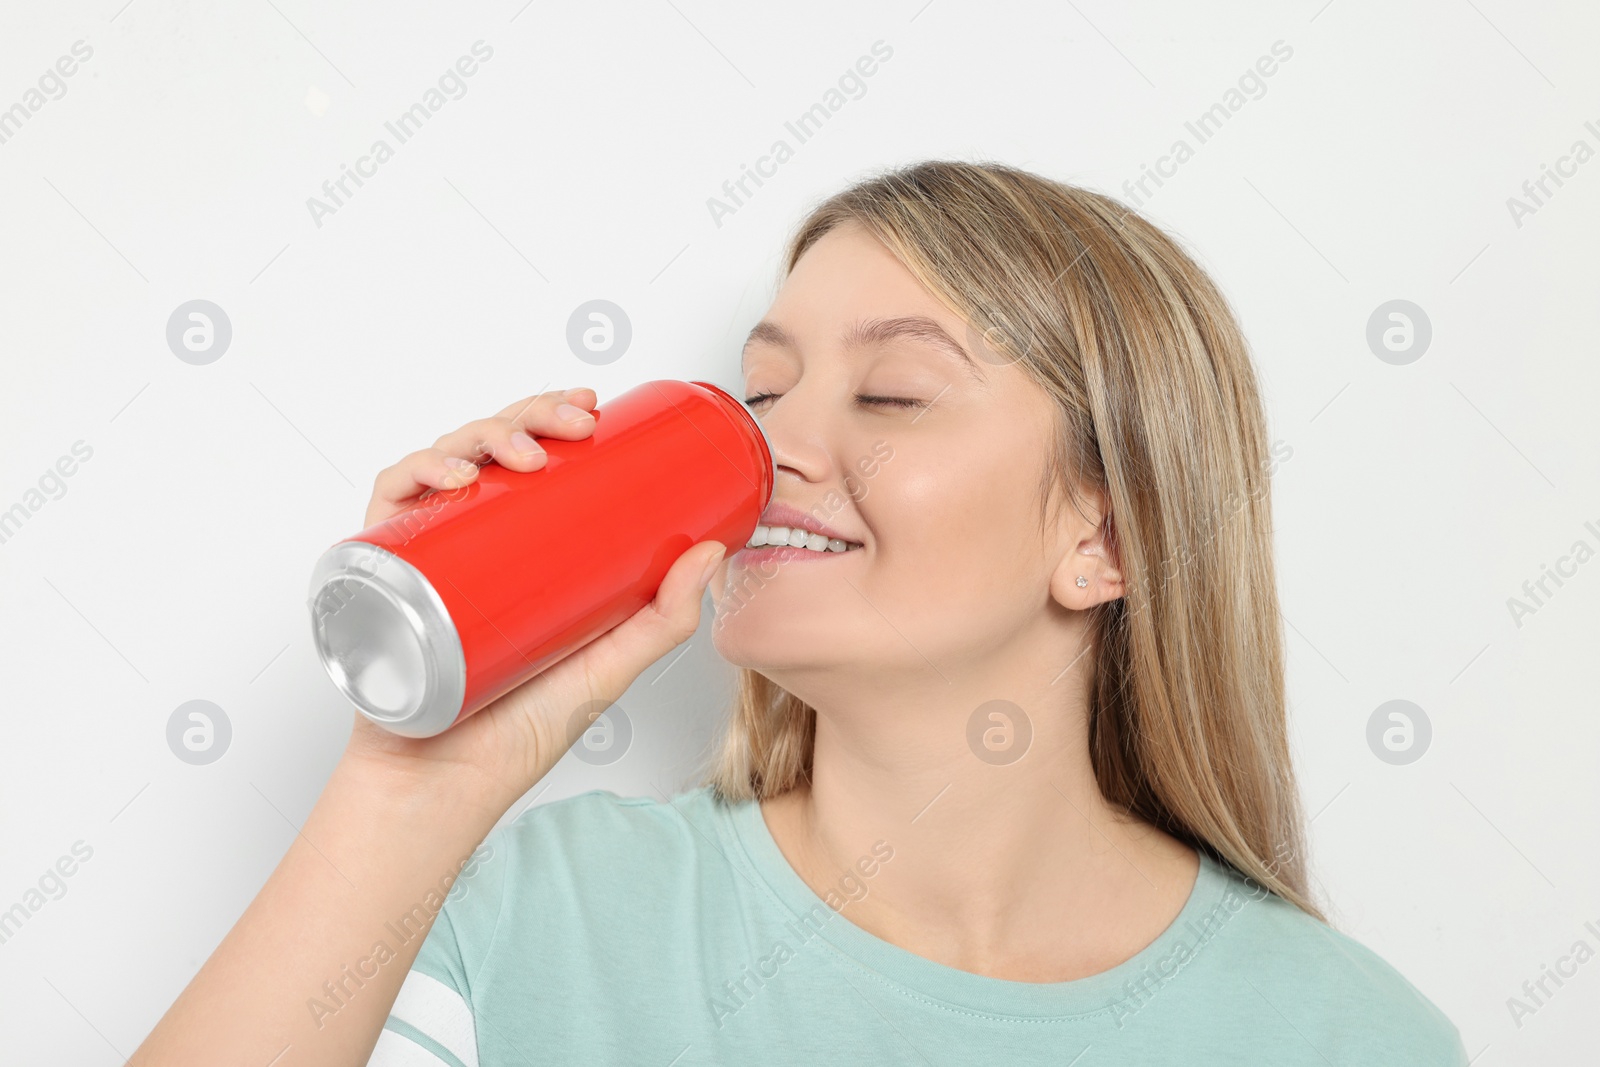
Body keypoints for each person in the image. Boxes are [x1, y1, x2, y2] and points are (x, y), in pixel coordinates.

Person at [129, 160, 1466, 1065]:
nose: (773, 454)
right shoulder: (545, 918)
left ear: (1101, 536)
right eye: (759, 394)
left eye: (891, 397)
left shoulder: (1341, 1034)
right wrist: (408, 787)